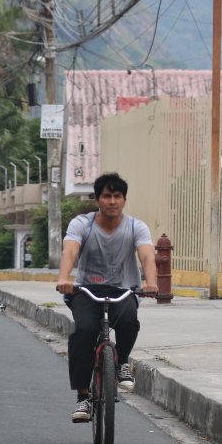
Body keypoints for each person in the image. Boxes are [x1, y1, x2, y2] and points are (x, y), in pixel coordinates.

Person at [56, 172, 158, 424]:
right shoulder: (82, 224)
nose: (112, 201)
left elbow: (146, 256)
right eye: (106, 196)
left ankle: (122, 362)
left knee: (129, 321)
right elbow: (70, 249)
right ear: (98, 200)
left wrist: (151, 282)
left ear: (124, 200)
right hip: (86, 290)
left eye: (117, 196)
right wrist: (64, 277)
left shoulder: (136, 227)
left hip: (123, 289)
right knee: (84, 331)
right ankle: (83, 397)